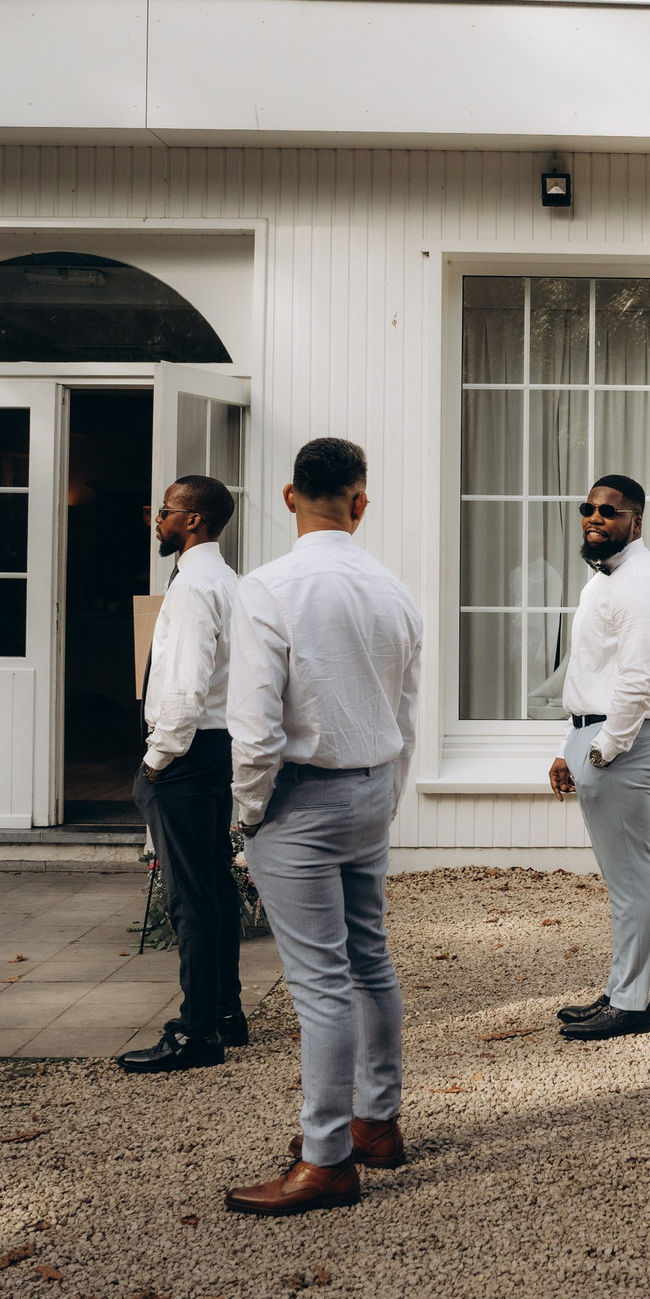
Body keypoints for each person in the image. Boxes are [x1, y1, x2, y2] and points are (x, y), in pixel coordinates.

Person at [222, 438, 425, 1216]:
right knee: (368, 960)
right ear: (359, 501)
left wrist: (249, 812)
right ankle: (376, 1121)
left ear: (288, 497)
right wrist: (388, 794)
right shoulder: (393, 589)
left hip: (300, 800)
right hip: (370, 786)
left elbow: (254, 724)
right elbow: (405, 712)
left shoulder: (268, 587)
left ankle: (327, 1155)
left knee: (319, 984)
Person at [119, 474, 250, 1075]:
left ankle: (198, 1031)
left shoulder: (196, 588)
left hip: (188, 754)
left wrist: (155, 760)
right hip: (215, 749)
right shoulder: (227, 581)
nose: (157, 519)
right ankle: (225, 1012)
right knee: (215, 888)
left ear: (192, 520)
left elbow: (189, 685)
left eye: (165, 511)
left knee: (190, 899)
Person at [548, 473, 650, 1042]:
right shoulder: (603, 580)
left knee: (630, 882)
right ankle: (621, 987)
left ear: (636, 522)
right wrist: (566, 748)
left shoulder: (641, 585)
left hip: (621, 744)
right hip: (595, 736)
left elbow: (637, 679)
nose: (596, 517)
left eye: (610, 511)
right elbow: (589, 674)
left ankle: (632, 1004)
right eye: (589, 508)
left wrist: (600, 752)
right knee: (619, 879)